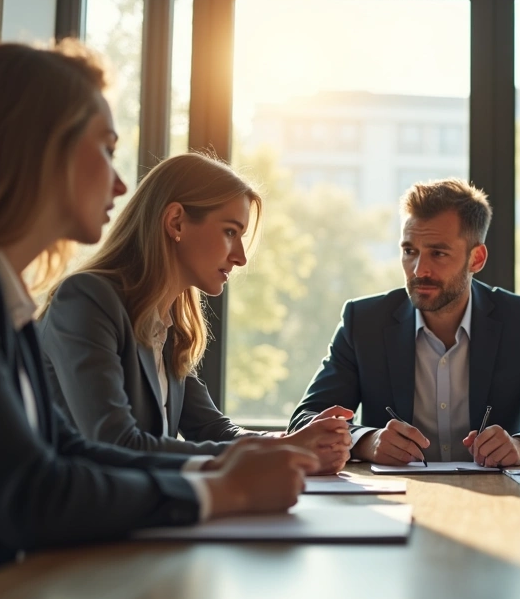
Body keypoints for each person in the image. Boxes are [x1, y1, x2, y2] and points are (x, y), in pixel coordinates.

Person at [0, 40, 316, 599]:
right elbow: (29, 492)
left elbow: (66, 450)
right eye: (106, 150)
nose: (118, 183)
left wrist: (223, 465)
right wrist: (222, 489)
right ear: (38, 146)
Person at [39, 153, 351, 473]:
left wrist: (293, 440)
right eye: (230, 232)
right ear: (176, 222)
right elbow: (116, 443)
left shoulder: (170, 326)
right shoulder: (86, 300)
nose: (241, 257)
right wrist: (281, 449)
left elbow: (213, 430)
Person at [290, 178, 520, 466]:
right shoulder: (364, 321)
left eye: (438, 253)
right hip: (394, 499)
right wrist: (368, 441)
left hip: (497, 500)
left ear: (477, 258)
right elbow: (305, 420)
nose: (419, 269)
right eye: (410, 251)